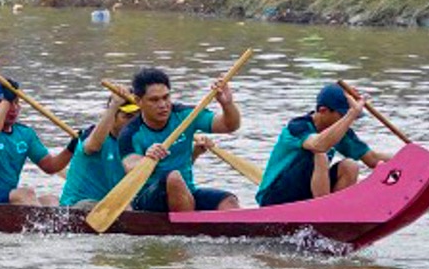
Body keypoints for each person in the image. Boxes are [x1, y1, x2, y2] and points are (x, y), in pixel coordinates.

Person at [116, 66, 241, 213]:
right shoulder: (130, 133)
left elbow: (229, 125)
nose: (163, 105)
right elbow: (131, 166)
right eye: (154, 100)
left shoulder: (185, 115)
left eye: (166, 97)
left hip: (187, 192)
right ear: (138, 101)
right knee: (174, 178)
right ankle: (189, 229)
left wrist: (227, 104)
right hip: (149, 199)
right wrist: (148, 157)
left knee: (228, 200)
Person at [256, 84, 390, 206]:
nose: (348, 121)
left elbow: (372, 159)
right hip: (275, 195)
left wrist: (409, 157)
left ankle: (337, 209)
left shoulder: (341, 132)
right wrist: (351, 114)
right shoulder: (297, 127)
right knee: (320, 153)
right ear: (323, 110)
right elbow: (318, 145)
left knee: (350, 166)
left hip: (307, 193)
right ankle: (324, 210)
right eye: (342, 115)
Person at [0, 77, 70, 205]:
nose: (13, 108)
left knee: (51, 200)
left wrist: (72, 148)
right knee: (26, 194)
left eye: (16, 102)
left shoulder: (25, 134)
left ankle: (49, 225)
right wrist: (7, 100)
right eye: (6, 103)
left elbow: (50, 166)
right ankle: (36, 225)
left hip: (6, 199)